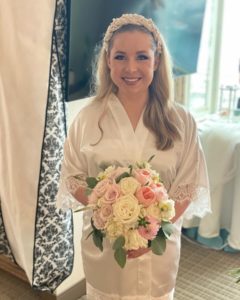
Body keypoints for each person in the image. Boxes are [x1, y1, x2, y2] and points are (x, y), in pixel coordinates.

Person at [56, 13, 210, 300]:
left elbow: (187, 185)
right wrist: (108, 209)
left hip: (159, 250)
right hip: (105, 244)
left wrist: (149, 231)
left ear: (156, 61)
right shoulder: (87, 119)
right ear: (108, 61)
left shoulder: (181, 121)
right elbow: (72, 175)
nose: (131, 68)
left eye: (141, 56)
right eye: (120, 57)